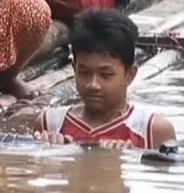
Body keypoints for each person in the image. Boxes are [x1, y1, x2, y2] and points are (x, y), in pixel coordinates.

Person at [34, 9, 176, 149]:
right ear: (74, 68)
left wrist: (129, 159)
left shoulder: (153, 130)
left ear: (130, 75)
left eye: (106, 75)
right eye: (84, 73)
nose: (93, 85)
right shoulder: (50, 124)